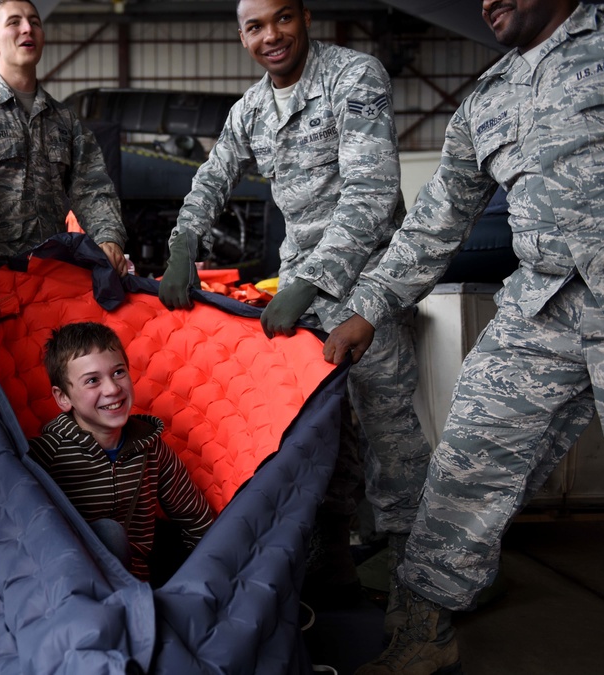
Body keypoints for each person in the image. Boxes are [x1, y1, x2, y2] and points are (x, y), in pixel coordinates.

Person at [322, 2, 604, 673]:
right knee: (463, 466)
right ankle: (424, 631)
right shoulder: (483, 104)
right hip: (541, 309)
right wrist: (369, 307)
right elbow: (435, 221)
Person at [159, 0, 433, 616]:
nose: (271, 36)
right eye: (255, 27)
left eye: (281, 19)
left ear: (304, 18)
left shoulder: (354, 77)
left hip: (367, 290)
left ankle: (419, 601)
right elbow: (211, 178)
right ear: (242, 36)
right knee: (316, 436)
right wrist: (182, 245)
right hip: (301, 299)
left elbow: (371, 191)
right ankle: (331, 571)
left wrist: (310, 282)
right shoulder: (251, 109)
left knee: (392, 442)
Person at [0, 0, 129, 276]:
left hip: (51, 277)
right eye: (14, 22)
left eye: (35, 22)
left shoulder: (65, 120)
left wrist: (108, 238)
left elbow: (93, 189)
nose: (28, 28)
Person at [26, 322, 215, 582]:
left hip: (139, 585)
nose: (112, 389)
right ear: (63, 398)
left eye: (118, 373)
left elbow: (196, 520)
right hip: (72, 586)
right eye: (92, 380)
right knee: (108, 533)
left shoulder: (152, 447)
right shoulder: (44, 456)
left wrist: (207, 578)